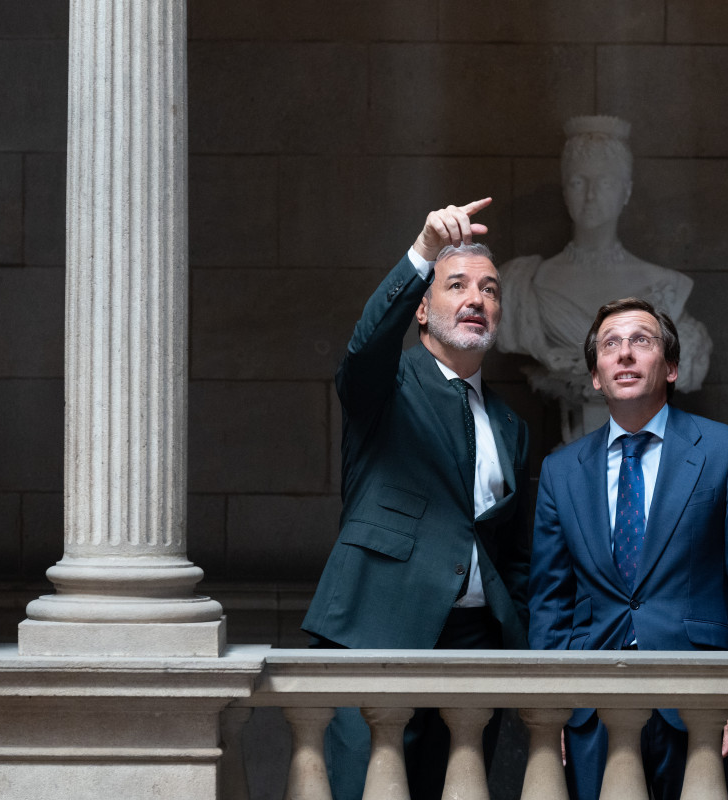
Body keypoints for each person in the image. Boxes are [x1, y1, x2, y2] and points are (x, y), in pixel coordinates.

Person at [301, 198, 531, 800]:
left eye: (489, 289)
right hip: (377, 630)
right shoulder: (386, 384)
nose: (476, 298)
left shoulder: (510, 425)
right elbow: (365, 347)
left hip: (475, 647)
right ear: (422, 309)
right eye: (457, 285)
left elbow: (508, 548)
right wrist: (425, 250)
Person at [528, 297, 728, 800]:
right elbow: (550, 599)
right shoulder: (561, 470)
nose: (624, 353)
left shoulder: (727, 451)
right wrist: (550, 707)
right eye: (610, 345)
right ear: (595, 376)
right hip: (592, 704)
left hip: (699, 700)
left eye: (641, 341)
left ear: (671, 367)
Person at [497, 115, 711, 402]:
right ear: (564, 190)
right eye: (578, 182)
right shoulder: (522, 283)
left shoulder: (666, 284)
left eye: (606, 183)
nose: (591, 196)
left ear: (627, 191)